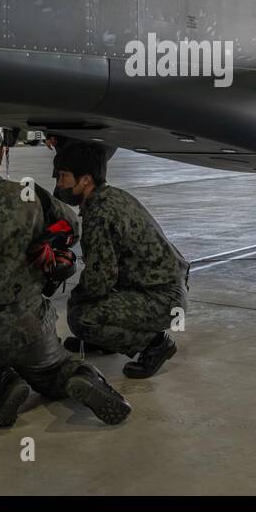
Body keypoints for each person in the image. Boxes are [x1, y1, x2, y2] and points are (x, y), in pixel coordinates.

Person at [0, 117, 131, 429]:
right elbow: (71, 224)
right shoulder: (31, 195)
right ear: (1, 153)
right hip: (33, 326)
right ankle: (79, 377)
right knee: (54, 369)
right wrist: (45, 247)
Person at [56, 140, 189, 379]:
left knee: (81, 316)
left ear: (85, 180)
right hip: (162, 288)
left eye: (64, 176)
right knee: (85, 304)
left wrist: (77, 298)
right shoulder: (111, 196)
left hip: (162, 298)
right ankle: (107, 342)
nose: (59, 184)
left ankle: (155, 344)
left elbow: (99, 280)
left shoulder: (100, 214)